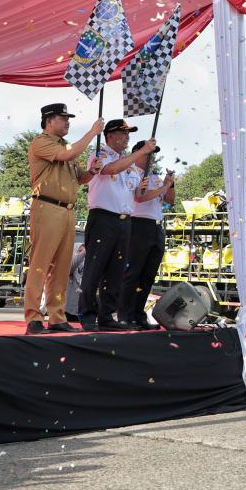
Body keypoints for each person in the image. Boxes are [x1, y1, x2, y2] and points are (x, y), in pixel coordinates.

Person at [24, 103, 104, 334]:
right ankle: (33, 318)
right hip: (47, 206)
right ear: (49, 120)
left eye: (68, 118)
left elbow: (80, 179)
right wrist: (92, 132)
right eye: (63, 118)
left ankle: (57, 316)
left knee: (60, 268)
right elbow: (68, 154)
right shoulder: (42, 142)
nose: (67, 121)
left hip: (67, 210)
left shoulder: (65, 145)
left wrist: (93, 172)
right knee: (40, 265)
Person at [77, 119, 150, 331]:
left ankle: (107, 315)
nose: (127, 137)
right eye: (123, 133)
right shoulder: (100, 154)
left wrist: (143, 188)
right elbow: (109, 170)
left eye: (129, 134)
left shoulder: (131, 167)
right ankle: (87, 314)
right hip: (103, 218)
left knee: (115, 271)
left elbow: (137, 195)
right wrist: (140, 152)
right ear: (110, 135)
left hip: (125, 221)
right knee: (94, 268)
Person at [122, 143, 175, 328]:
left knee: (148, 275)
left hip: (156, 226)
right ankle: (125, 315)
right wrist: (164, 187)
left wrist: (170, 183)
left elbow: (170, 199)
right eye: (148, 154)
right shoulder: (131, 172)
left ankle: (138, 314)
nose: (151, 158)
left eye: (153, 155)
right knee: (133, 272)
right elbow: (140, 197)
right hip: (138, 224)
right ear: (138, 153)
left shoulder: (154, 177)